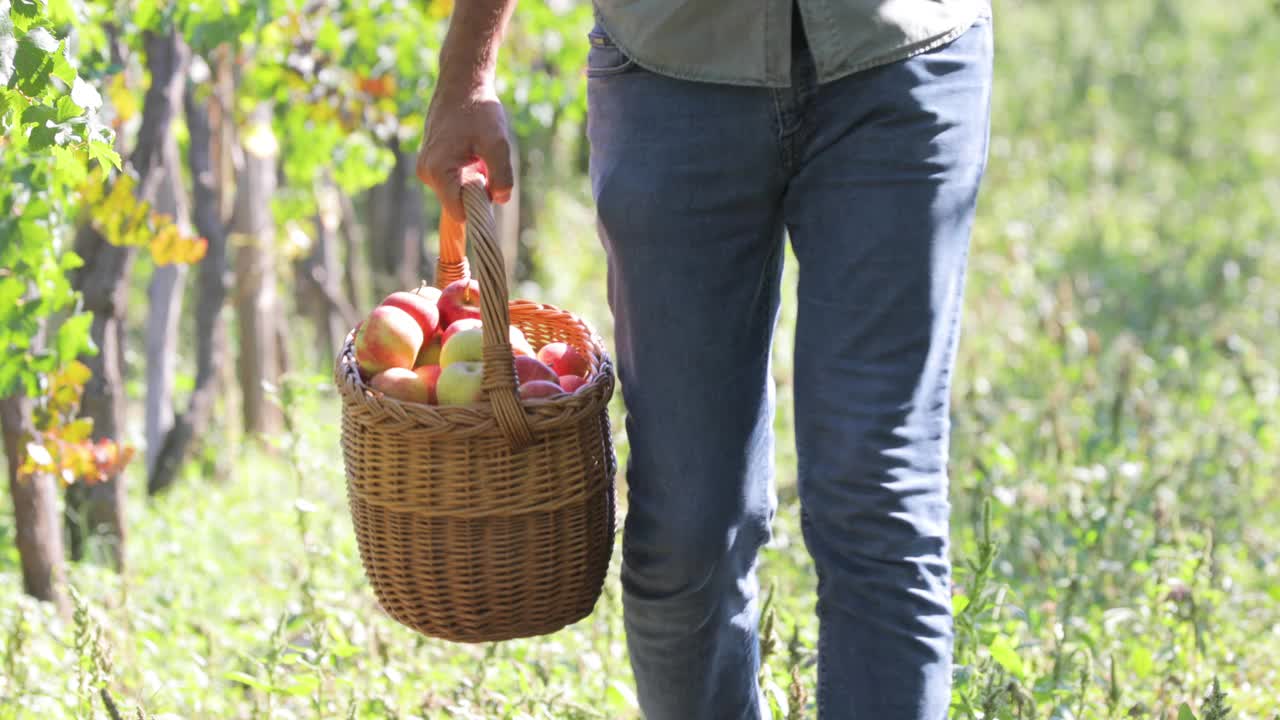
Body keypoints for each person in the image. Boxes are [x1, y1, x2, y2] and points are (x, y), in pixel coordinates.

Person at [417, 0, 993, 717]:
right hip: (670, 65)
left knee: (875, 499)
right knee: (687, 533)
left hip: (897, 56)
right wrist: (469, 71)